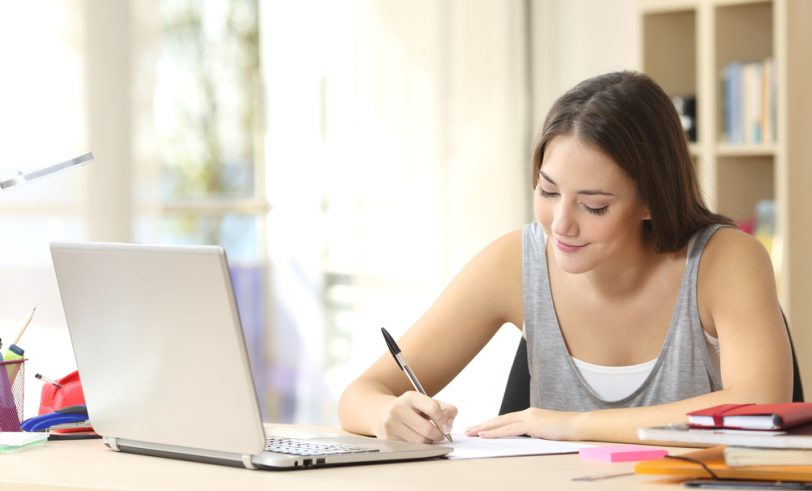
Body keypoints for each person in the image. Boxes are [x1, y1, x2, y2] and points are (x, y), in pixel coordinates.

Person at [337, 71, 793, 444]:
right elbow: (359, 394)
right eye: (548, 191)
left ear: (652, 199)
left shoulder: (725, 260)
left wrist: (574, 425)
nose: (560, 224)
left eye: (594, 205)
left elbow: (759, 402)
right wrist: (387, 415)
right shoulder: (516, 262)